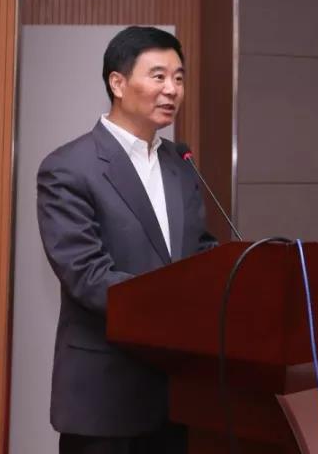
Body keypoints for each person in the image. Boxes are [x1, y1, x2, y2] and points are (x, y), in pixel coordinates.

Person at [36, 26, 218, 454]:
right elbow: (86, 275)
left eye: (179, 78)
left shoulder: (180, 163)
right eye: (158, 76)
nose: (172, 89)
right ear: (117, 83)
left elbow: (199, 251)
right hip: (106, 396)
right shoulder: (68, 168)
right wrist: (179, 306)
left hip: (177, 395)